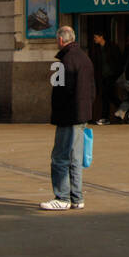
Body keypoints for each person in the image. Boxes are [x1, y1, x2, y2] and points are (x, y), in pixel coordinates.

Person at [40, 25, 95, 210]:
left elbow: (61, 91)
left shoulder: (64, 61)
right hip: (82, 115)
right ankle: (77, 198)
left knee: (60, 157)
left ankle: (62, 197)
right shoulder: (85, 58)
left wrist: (57, 113)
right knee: (76, 158)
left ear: (61, 40)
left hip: (68, 116)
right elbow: (92, 89)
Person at [91, 32, 122, 124]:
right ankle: (122, 110)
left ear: (101, 37)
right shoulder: (97, 49)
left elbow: (118, 61)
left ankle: (106, 117)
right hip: (103, 76)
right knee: (108, 96)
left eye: (96, 37)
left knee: (107, 96)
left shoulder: (112, 47)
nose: (94, 39)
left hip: (112, 76)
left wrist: (116, 74)